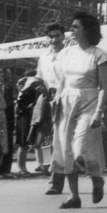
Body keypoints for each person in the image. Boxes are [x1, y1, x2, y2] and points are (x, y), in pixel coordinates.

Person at [51, 12, 107, 209]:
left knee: (80, 149)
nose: (72, 31)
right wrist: (57, 99)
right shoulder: (66, 53)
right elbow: (62, 80)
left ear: (86, 30)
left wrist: (99, 112)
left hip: (89, 102)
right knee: (66, 149)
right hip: (67, 102)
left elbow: (104, 87)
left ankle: (96, 178)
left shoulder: (98, 55)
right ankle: (74, 196)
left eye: (76, 27)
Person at [36, 23, 66, 193]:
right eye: (51, 36)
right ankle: (54, 178)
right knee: (48, 139)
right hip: (47, 100)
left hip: (65, 99)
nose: (54, 40)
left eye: (57, 36)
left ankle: (59, 178)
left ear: (64, 36)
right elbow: (39, 76)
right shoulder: (44, 57)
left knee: (61, 140)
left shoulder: (69, 55)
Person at [14, 71, 47, 175]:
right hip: (25, 116)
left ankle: (42, 165)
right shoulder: (27, 86)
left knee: (38, 142)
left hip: (33, 116)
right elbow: (19, 103)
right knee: (24, 143)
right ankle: (21, 167)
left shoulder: (37, 86)